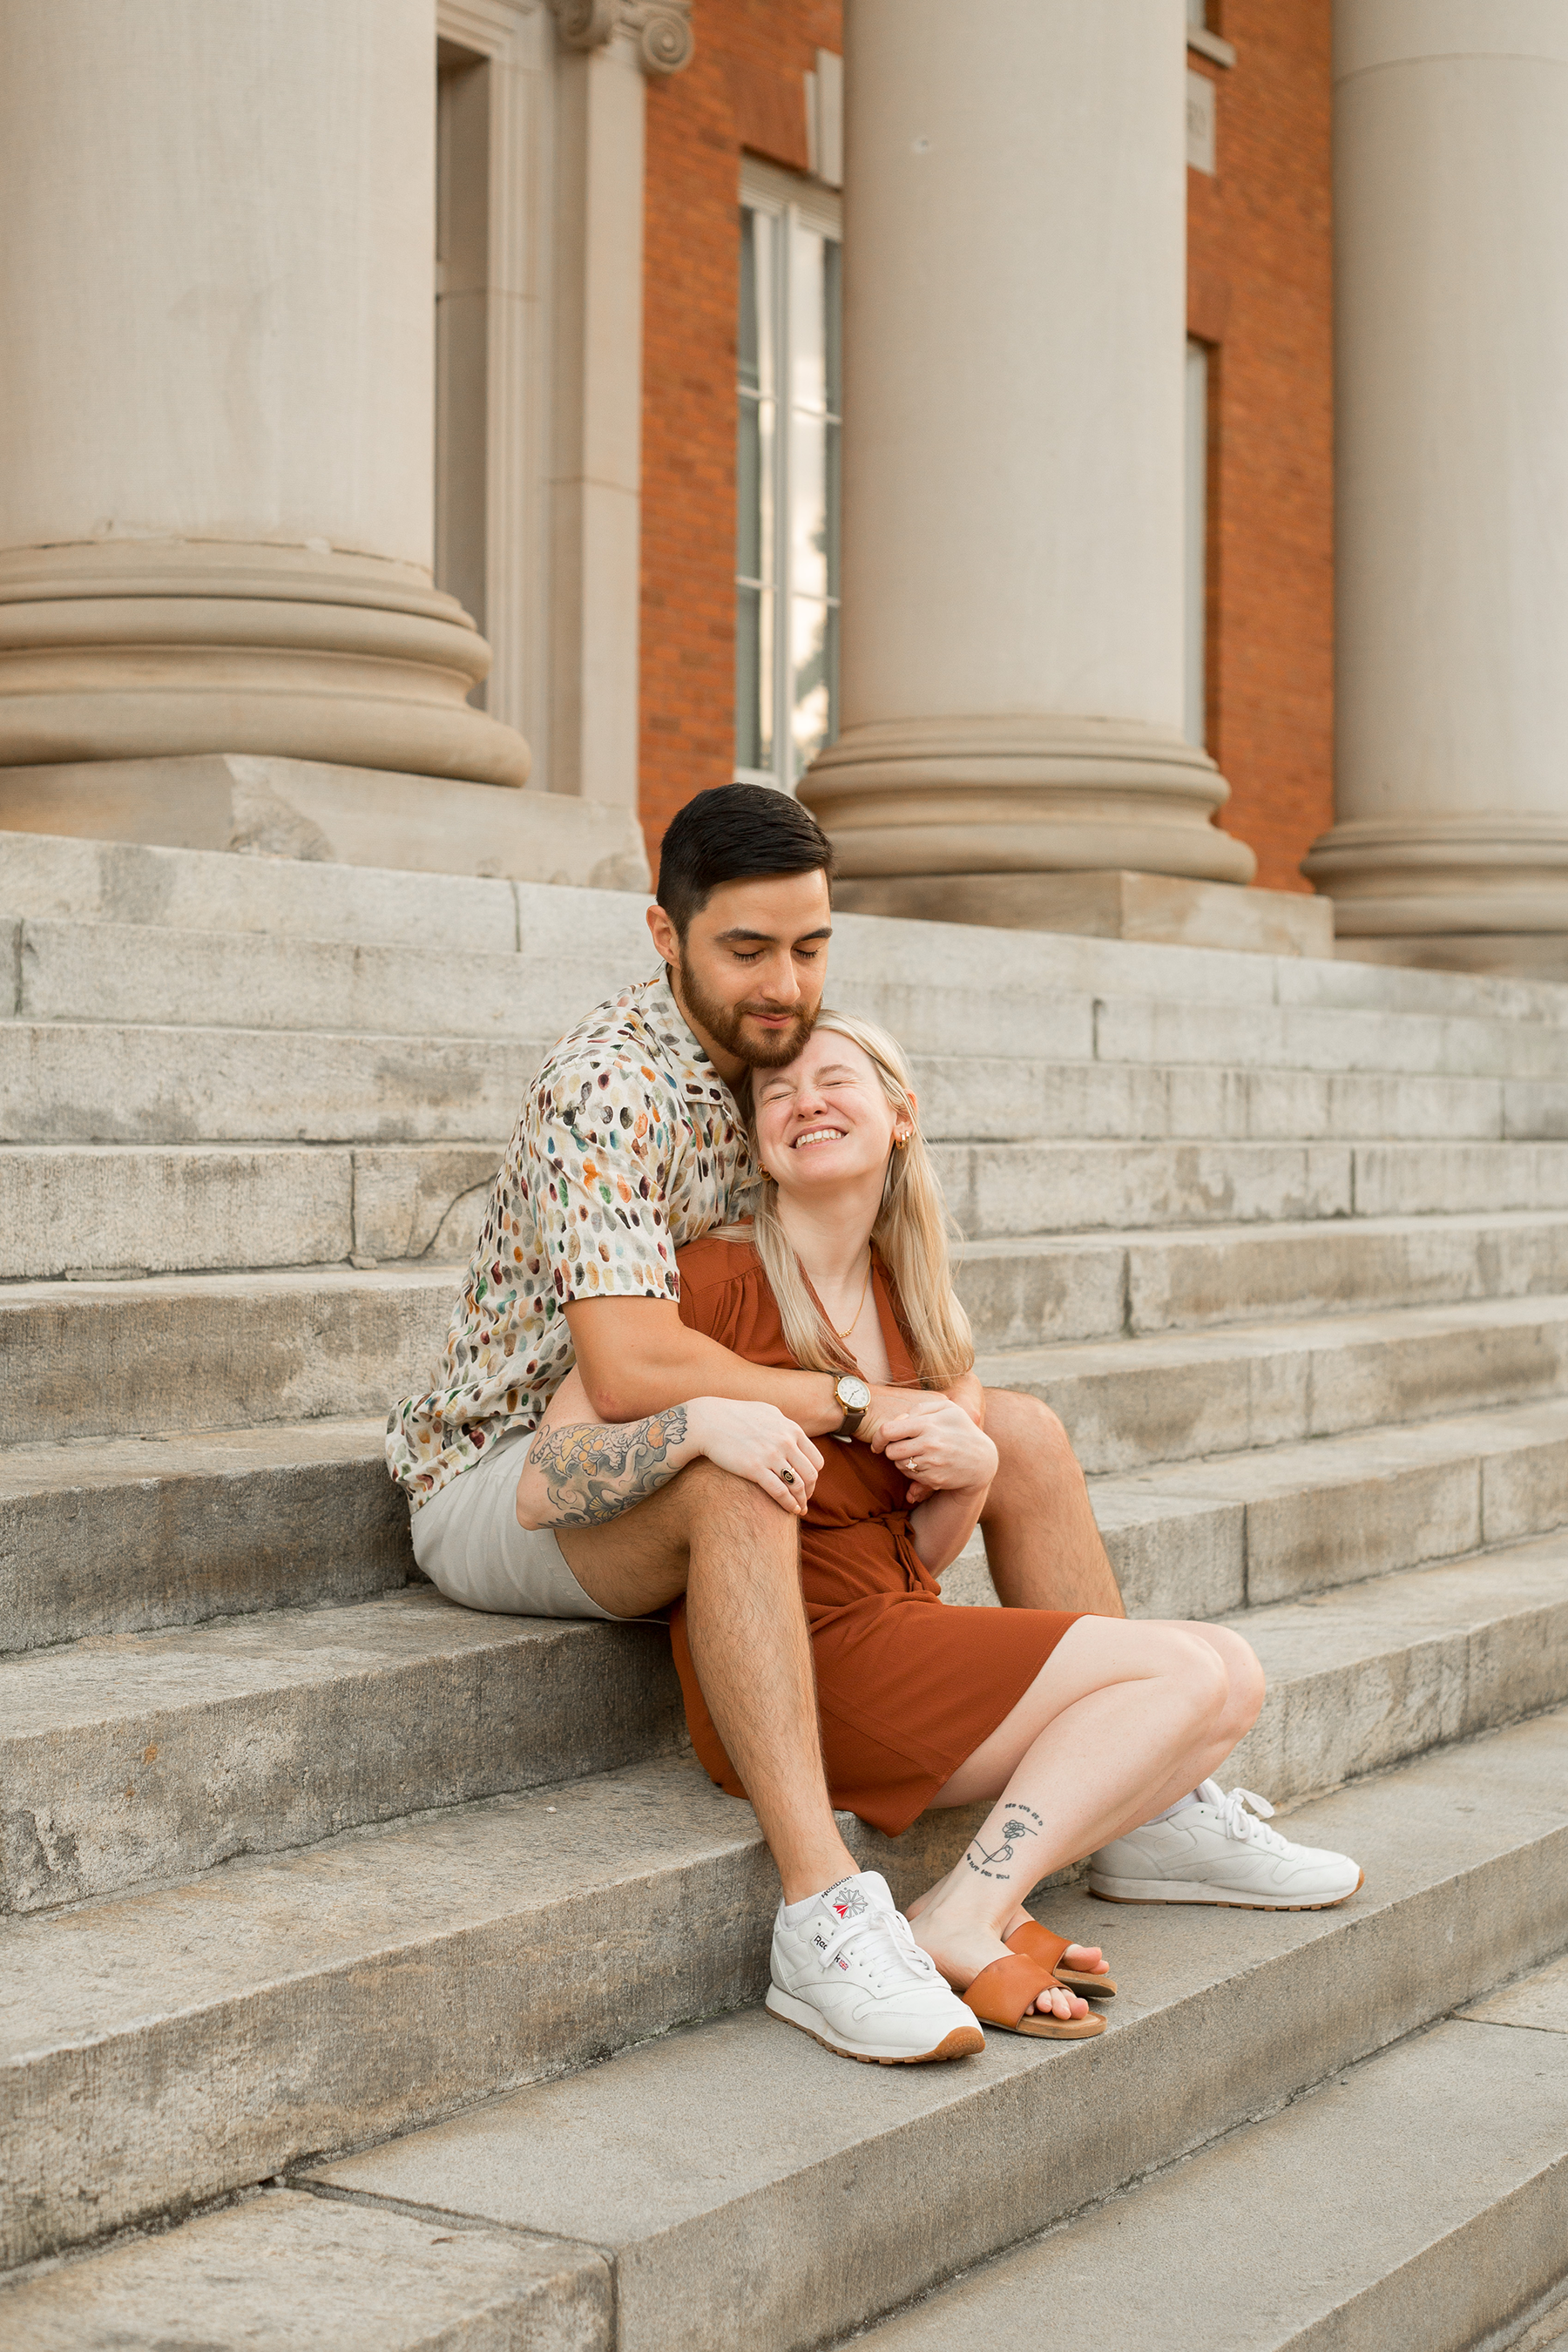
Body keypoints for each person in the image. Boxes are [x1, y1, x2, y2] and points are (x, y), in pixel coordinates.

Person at [387, 783, 1358, 2065]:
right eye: (747, 950)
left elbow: (851, 1311)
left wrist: (950, 1427)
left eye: (811, 944)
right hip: (515, 1471)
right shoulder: (607, 1090)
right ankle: (822, 1908)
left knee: (1023, 1429)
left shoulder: (775, 1070)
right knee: (728, 1466)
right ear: (664, 937)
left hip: (706, 1418)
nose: (785, 982)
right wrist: (857, 1405)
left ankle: (1148, 1809)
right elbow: (625, 1372)